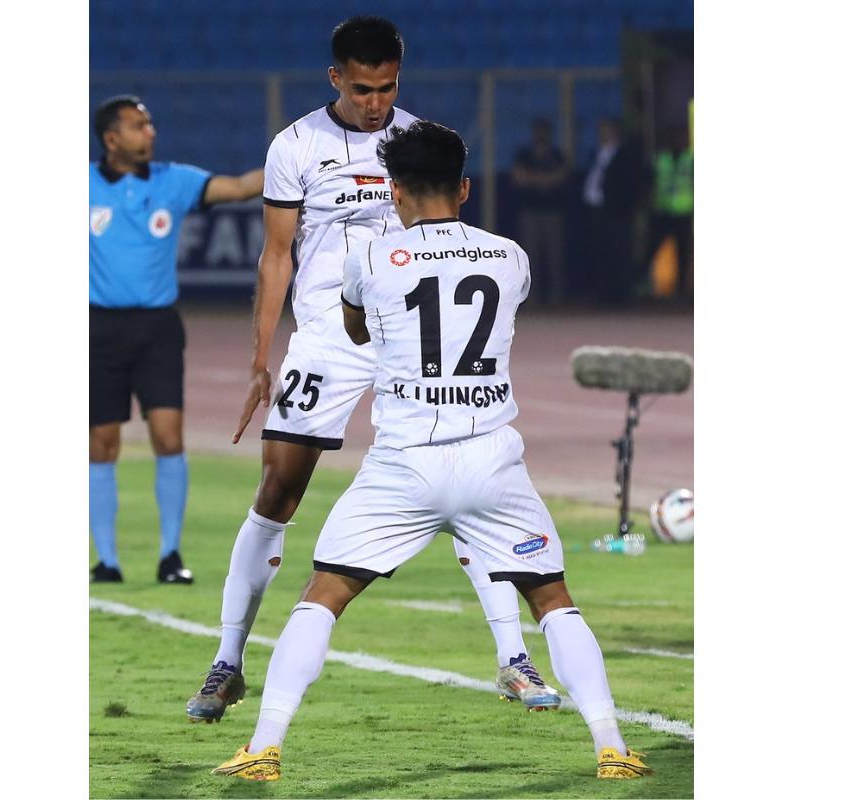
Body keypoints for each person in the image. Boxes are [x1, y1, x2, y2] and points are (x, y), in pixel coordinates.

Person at [212, 121, 652, 782]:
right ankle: (612, 746)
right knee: (554, 598)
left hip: (405, 462)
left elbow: (358, 327)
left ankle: (265, 746)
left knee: (322, 594)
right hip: (491, 460)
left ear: (394, 193)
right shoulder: (510, 257)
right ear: (466, 188)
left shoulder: (371, 259)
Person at [187, 17, 557, 723]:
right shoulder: (296, 146)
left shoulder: (415, 141)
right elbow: (277, 255)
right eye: (362, 90)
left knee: (467, 483)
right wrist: (260, 358)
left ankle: (513, 658)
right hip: (327, 338)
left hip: (404, 336)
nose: (376, 103)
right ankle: (228, 662)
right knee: (277, 490)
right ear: (336, 79)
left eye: (387, 87)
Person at [89, 95, 264, 584]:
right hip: (97, 329)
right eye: (138, 126)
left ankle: (170, 555)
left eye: (149, 125)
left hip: (158, 329)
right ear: (111, 139)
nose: (150, 133)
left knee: (168, 438)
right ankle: (107, 560)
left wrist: (304, 157)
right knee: (100, 445)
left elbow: (239, 187)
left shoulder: (174, 181)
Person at [579, 117, 641, 305]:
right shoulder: (595, 153)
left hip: (616, 211)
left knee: (619, 251)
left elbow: (629, 183)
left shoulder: (625, 155)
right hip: (596, 211)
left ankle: (622, 295)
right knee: (600, 251)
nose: (601, 134)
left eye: (605, 130)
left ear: (614, 132)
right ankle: (603, 293)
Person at [510, 118, 568, 306]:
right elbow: (519, 178)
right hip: (530, 212)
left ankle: (556, 297)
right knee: (530, 256)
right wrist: (546, 179)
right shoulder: (524, 154)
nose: (541, 135)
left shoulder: (557, 154)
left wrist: (533, 178)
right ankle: (532, 297)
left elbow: (561, 177)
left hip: (553, 213)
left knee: (555, 256)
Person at [644, 125, 694, 300]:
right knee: (651, 250)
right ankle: (641, 285)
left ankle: (681, 291)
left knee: (683, 253)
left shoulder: (691, 160)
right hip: (662, 212)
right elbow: (649, 183)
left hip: (683, 212)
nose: (680, 142)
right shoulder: (661, 159)